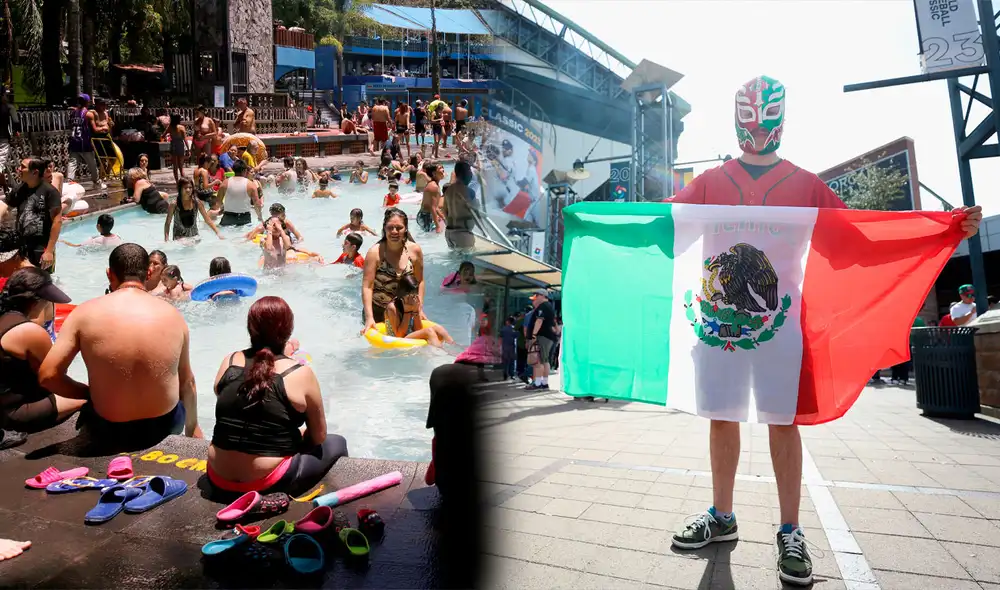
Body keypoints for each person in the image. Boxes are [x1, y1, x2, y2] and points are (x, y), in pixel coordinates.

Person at [663, 75, 983, 587]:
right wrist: (599, 220)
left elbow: (859, 240)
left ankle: (790, 528)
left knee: (782, 423)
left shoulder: (806, 184)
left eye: (766, 116)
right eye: (748, 115)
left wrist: (942, 227)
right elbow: (663, 228)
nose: (757, 127)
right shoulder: (710, 182)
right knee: (721, 419)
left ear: (782, 119)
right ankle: (721, 517)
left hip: (784, 330)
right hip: (718, 325)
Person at [38, 244, 203, 446]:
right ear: (149, 272)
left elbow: (48, 375)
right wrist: (193, 428)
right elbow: (188, 383)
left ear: (109, 274)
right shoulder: (173, 315)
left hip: (109, 427)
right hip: (164, 425)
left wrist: (89, 394)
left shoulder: (84, 313)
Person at [207, 296, 347, 493]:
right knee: (337, 442)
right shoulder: (298, 372)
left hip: (217, 475)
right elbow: (318, 436)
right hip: (267, 482)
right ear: (288, 332)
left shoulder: (229, 361)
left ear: (250, 328)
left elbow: (232, 405)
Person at [0, 267, 86, 433]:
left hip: (5, 402)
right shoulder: (29, 332)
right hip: (13, 413)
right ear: (36, 303)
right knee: (92, 399)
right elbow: (53, 378)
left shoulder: (6, 319)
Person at [362, 207, 426, 331]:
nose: (394, 231)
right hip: (377, 312)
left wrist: (419, 308)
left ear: (406, 229)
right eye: (390, 227)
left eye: (399, 228)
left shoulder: (415, 251)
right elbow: (367, 287)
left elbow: (420, 281)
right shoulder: (375, 253)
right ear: (384, 228)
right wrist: (370, 317)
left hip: (404, 311)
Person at [0, 158, 62, 272]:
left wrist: (49, 251)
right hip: (22, 245)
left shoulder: (50, 192)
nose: (18, 169)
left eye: (23, 167)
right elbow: (4, 206)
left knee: (41, 280)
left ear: (35, 172)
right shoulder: (20, 188)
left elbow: (57, 221)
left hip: (41, 247)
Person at [384, 275, 453, 347]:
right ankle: (440, 354)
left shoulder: (415, 300)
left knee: (439, 329)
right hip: (397, 340)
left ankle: (455, 349)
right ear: (403, 293)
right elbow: (399, 335)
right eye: (411, 295)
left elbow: (418, 329)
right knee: (429, 332)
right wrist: (407, 311)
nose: (413, 298)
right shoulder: (392, 308)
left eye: (415, 294)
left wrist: (415, 311)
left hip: (409, 334)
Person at [165, 177, 223, 241]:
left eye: (190, 187)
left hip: (194, 236)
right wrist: (166, 239)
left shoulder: (197, 203)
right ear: (180, 189)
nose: (188, 190)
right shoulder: (174, 204)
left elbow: (207, 220)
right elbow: (168, 223)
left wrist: (218, 233)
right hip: (179, 238)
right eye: (185, 188)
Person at [524, 290, 558, 391]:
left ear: (543, 296)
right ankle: (544, 383)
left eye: (536, 295)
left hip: (542, 336)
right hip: (547, 337)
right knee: (544, 360)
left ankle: (538, 383)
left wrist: (533, 335)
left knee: (539, 360)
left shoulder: (543, 307)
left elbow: (539, 321)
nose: (534, 299)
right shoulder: (549, 307)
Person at [67, 95, 101, 189]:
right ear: (88, 102)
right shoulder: (88, 114)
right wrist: (104, 127)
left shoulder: (73, 112)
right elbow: (95, 129)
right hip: (84, 143)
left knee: (72, 163)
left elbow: (70, 126)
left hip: (74, 141)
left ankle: (69, 182)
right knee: (92, 164)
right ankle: (97, 182)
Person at [441, 161, 478, 249]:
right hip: (463, 234)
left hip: (449, 233)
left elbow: (444, 210)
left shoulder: (449, 190)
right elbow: (476, 214)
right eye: (469, 172)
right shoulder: (469, 192)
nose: (471, 175)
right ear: (465, 173)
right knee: (467, 260)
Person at [216, 160, 264, 227]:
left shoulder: (225, 183)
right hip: (244, 219)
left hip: (228, 218)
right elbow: (257, 204)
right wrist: (260, 217)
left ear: (233, 170)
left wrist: (223, 208)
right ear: (245, 171)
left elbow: (218, 201)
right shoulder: (251, 185)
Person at [417, 161, 444, 233]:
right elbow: (433, 207)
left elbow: (435, 206)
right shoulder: (433, 186)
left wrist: (443, 217)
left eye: (442, 167)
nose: (443, 169)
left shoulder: (435, 184)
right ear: (434, 173)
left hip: (427, 215)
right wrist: (438, 227)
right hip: (425, 216)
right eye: (440, 168)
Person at [166, 113, 187, 182]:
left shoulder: (170, 127)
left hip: (173, 145)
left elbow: (163, 135)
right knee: (181, 166)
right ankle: (183, 181)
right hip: (180, 145)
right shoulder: (181, 127)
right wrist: (188, 149)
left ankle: (177, 182)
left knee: (175, 166)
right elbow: (185, 139)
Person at [500, 316, 517, 381]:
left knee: (505, 362)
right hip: (512, 347)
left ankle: (505, 375)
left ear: (507, 322)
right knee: (512, 362)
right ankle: (512, 375)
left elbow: (500, 338)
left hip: (505, 347)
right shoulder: (514, 329)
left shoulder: (503, 329)